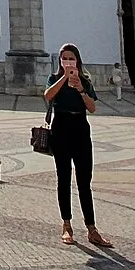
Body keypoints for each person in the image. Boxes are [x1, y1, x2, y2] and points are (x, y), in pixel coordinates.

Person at [44, 43, 114, 248]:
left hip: (81, 128)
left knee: (84, 180)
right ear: (60, 61)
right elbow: (48, 96)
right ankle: (66, 225)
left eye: (71, 58)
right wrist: (65, 77)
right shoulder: (54, 79)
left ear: (78, 60)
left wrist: (81, 89)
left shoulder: (85, 81)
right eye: (64, 58)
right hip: (61, 128)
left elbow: (92, 108)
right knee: (63, 179)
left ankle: (92, 229)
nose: (67, 62)